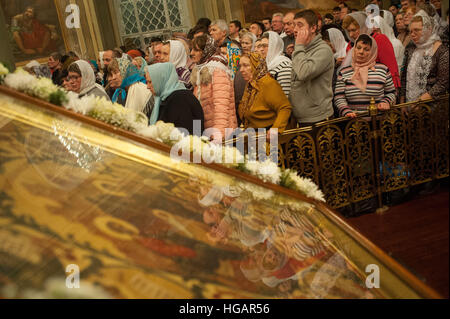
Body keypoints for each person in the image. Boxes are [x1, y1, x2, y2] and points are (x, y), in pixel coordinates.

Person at [290, 9, 335, 126]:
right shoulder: (302, 49)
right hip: (301, 117)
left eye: (300, 26)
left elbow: (304, 73)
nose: (295, 30)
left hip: (318, 118)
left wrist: (299, 46)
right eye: (294, 25)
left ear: (313, 28)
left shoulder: (323, 50)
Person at [334, 34, 396, 117]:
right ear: (354, 49)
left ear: (373, 52)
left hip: (379, 121)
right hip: (354, 123)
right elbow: (339, 97)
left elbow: (391, 92)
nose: (361, 52)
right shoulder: (344, 72)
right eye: (358, 48)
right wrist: (346, 110)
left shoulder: (383, 69)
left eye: (366, 49)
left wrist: (386, 101)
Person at [190, 35, 237, 141]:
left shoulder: (217, 69)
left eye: (196, 50)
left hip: (223, 134)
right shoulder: (201, 68)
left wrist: (218, 134)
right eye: (192, 49)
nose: (192, 53)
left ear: (206, 50)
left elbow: (221, 105)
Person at [238, 52, 292, 137]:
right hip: (255, 138)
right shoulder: (250, 86)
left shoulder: (268, 83)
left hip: (269, 140)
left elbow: (284, 107)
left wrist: (276, 128)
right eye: (240, 66)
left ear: (256, 66)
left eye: (246, 65)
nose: (241, 70)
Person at [342, 12, 401, 89]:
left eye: (353, 30)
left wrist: (392, 93)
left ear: (363, 26)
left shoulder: (379, 40)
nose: (351, 35)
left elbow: (391, 69)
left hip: (380, 89)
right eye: (348, 31)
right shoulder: (351, 45)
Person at [400, 12, 449, 102]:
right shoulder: (411, 48)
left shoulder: (442, 50)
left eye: (417, 30)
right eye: (410, 31)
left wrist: (421, 101)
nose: (412, 34)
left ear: (429, 29)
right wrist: (402, 102)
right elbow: (404, 77)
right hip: (409, 105)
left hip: (432, 105)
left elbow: (443, 82)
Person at [145, 63, 204, 135]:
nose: (147, 86)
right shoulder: (165, 98)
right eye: (147, 82)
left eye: (150, 82)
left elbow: (187, 132)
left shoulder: (180, 99)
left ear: (161, 80)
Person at [261, 32, 292, 96]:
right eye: (260, 46)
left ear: (274, 46)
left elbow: (285, 96)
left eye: (264, 46)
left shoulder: (284, 66)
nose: (261, 49)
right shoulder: (267, 64)